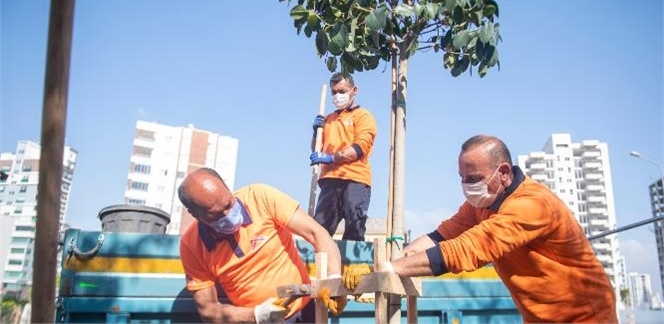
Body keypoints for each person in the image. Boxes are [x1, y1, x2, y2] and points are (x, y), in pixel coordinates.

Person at [343, 135, 618, 323]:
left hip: (585, 316)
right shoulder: (481, 203)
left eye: (474, 178)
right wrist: (391, 262)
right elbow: (442, 236)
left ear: (504, 172)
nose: (467, 186)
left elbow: (469, 248)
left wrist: (390, 271)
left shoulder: (533, 204)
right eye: (462, 178)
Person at [177, 168, 347, 323]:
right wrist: (257, 315)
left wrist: (333, 279)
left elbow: (317, 234)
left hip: (307, 311)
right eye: (216, 215)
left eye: (229, 204)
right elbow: (209, 310)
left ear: (227, 187)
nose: (228, 215)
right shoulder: (192, 245)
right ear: (195, 214)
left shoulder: (260, 197)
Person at [309, 72, 377, 241]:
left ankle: (355, 267)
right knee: (320, 231)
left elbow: (358, 149)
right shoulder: (329, 119)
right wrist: (315, 132)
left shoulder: (363, 116)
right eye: (334, 92)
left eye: (342, 91)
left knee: (354, 227)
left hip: (355, 179)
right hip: (329, 180)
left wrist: (330, 158)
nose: (338, 96)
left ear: (354, 90)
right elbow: (317, 148)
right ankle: (321, 266)